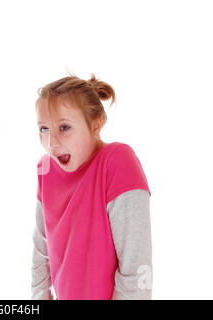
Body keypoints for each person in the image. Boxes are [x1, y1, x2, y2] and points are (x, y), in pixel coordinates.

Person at [31, 72, 152, 299]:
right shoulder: (45, 168)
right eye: (43, 129)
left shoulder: (117, 161)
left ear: (95, 125)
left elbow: (136, 266)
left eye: (64, 127)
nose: (51, 143)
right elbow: (41, 249)